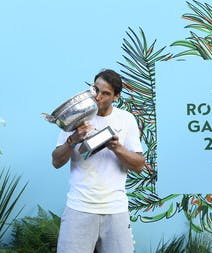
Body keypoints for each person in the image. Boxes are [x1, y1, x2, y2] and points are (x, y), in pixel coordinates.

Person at [52, 69, 145, 253]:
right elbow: (56, 161)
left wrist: (117, 148)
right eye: (96, 90)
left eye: (106, 93)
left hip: (115, 209)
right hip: (79, 207)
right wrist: (72, 140)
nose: (98, 97)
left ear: (116, 96)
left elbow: (139, 165)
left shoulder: (126, 120)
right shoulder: (75, 117)